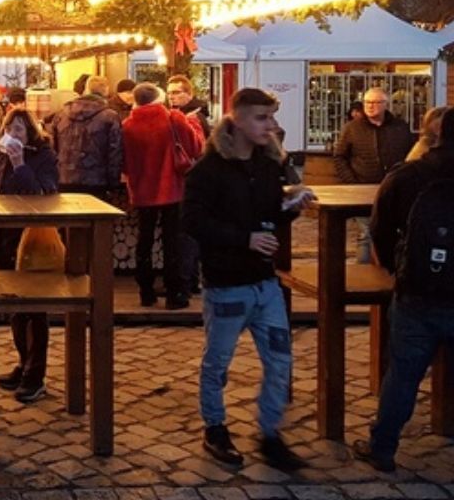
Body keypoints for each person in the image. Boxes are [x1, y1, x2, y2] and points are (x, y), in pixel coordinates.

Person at [352, 104, 454, 490]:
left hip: (418, 294)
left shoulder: (409, 174)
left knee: (403, 374)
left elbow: (379, 227)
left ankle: (383, 447)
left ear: (439, 131)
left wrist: (399, 268)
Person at [183, 87, 314, 471]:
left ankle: (270, 434)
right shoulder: (208, 170)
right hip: (227, 285)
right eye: (262, 117)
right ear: (236, 119)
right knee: (218, 362)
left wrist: (291, 207)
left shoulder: (267, 164)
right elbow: (192, 221)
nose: (271, 125)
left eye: (271, 117)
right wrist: (245, 238)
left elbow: (268, 214)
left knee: (279, 360)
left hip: (265, 283)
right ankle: (216, 428)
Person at [0, 107, 59, 402]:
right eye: (9, 128)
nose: (13, 134)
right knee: (14, 304)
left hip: (31, 236)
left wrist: (19, 163)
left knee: (34, 306)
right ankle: (23, 362)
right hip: (3, 234)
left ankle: (35, 374)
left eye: (20, 129)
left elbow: (42, 193)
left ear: (31, 133)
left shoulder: (43, 156)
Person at [123, 82, 203, 309]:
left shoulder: (127, 124)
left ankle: (145, 292)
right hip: (172, 189)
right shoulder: (174, 118)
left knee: (144, 240)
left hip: (141, 190)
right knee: (173, 241)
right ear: (159, 98)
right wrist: (194, 125)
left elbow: (125, 161)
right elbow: (196, 147)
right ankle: (174, 294)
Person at [333, 87, 414, 264]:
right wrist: (351, 182)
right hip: (362, 188)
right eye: (367, 102)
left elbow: (410, 155)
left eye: (376, 102)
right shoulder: (352, 128)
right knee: (366, 233)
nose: (370, 106)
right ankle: (363, 273)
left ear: (386, 105)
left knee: (394, 232)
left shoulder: (400, 128)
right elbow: (340, 156)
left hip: (393, 189)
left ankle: (389, 271)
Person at [50, 75, 122, 197]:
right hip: (96, 181)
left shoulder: (61, 114)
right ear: (106, 91)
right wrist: (113, 183)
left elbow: (53, 148)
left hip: (64, 178)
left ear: (86, 89)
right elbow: (114, 153)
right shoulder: (110, 117)